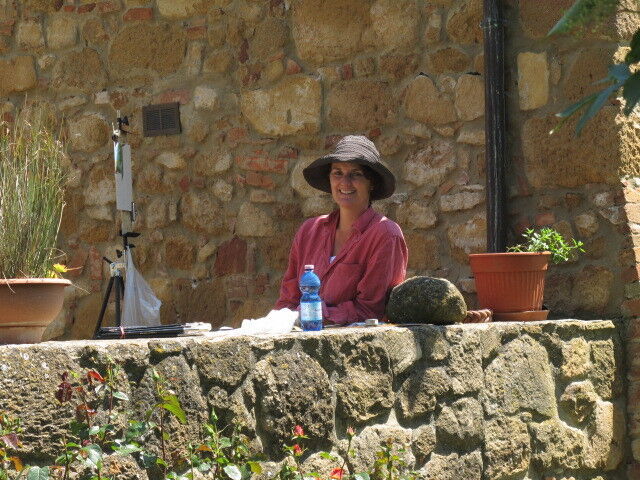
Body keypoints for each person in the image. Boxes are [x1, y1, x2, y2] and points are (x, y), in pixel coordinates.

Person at [275, 135, 408, 326]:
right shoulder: (309, 231)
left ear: (371, 183)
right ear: (329, 179)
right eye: (337, 173)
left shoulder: (385, 234)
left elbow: (370, 310)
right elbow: (288, 300)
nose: (345, 182)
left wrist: (311, 314)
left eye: (356, 174)